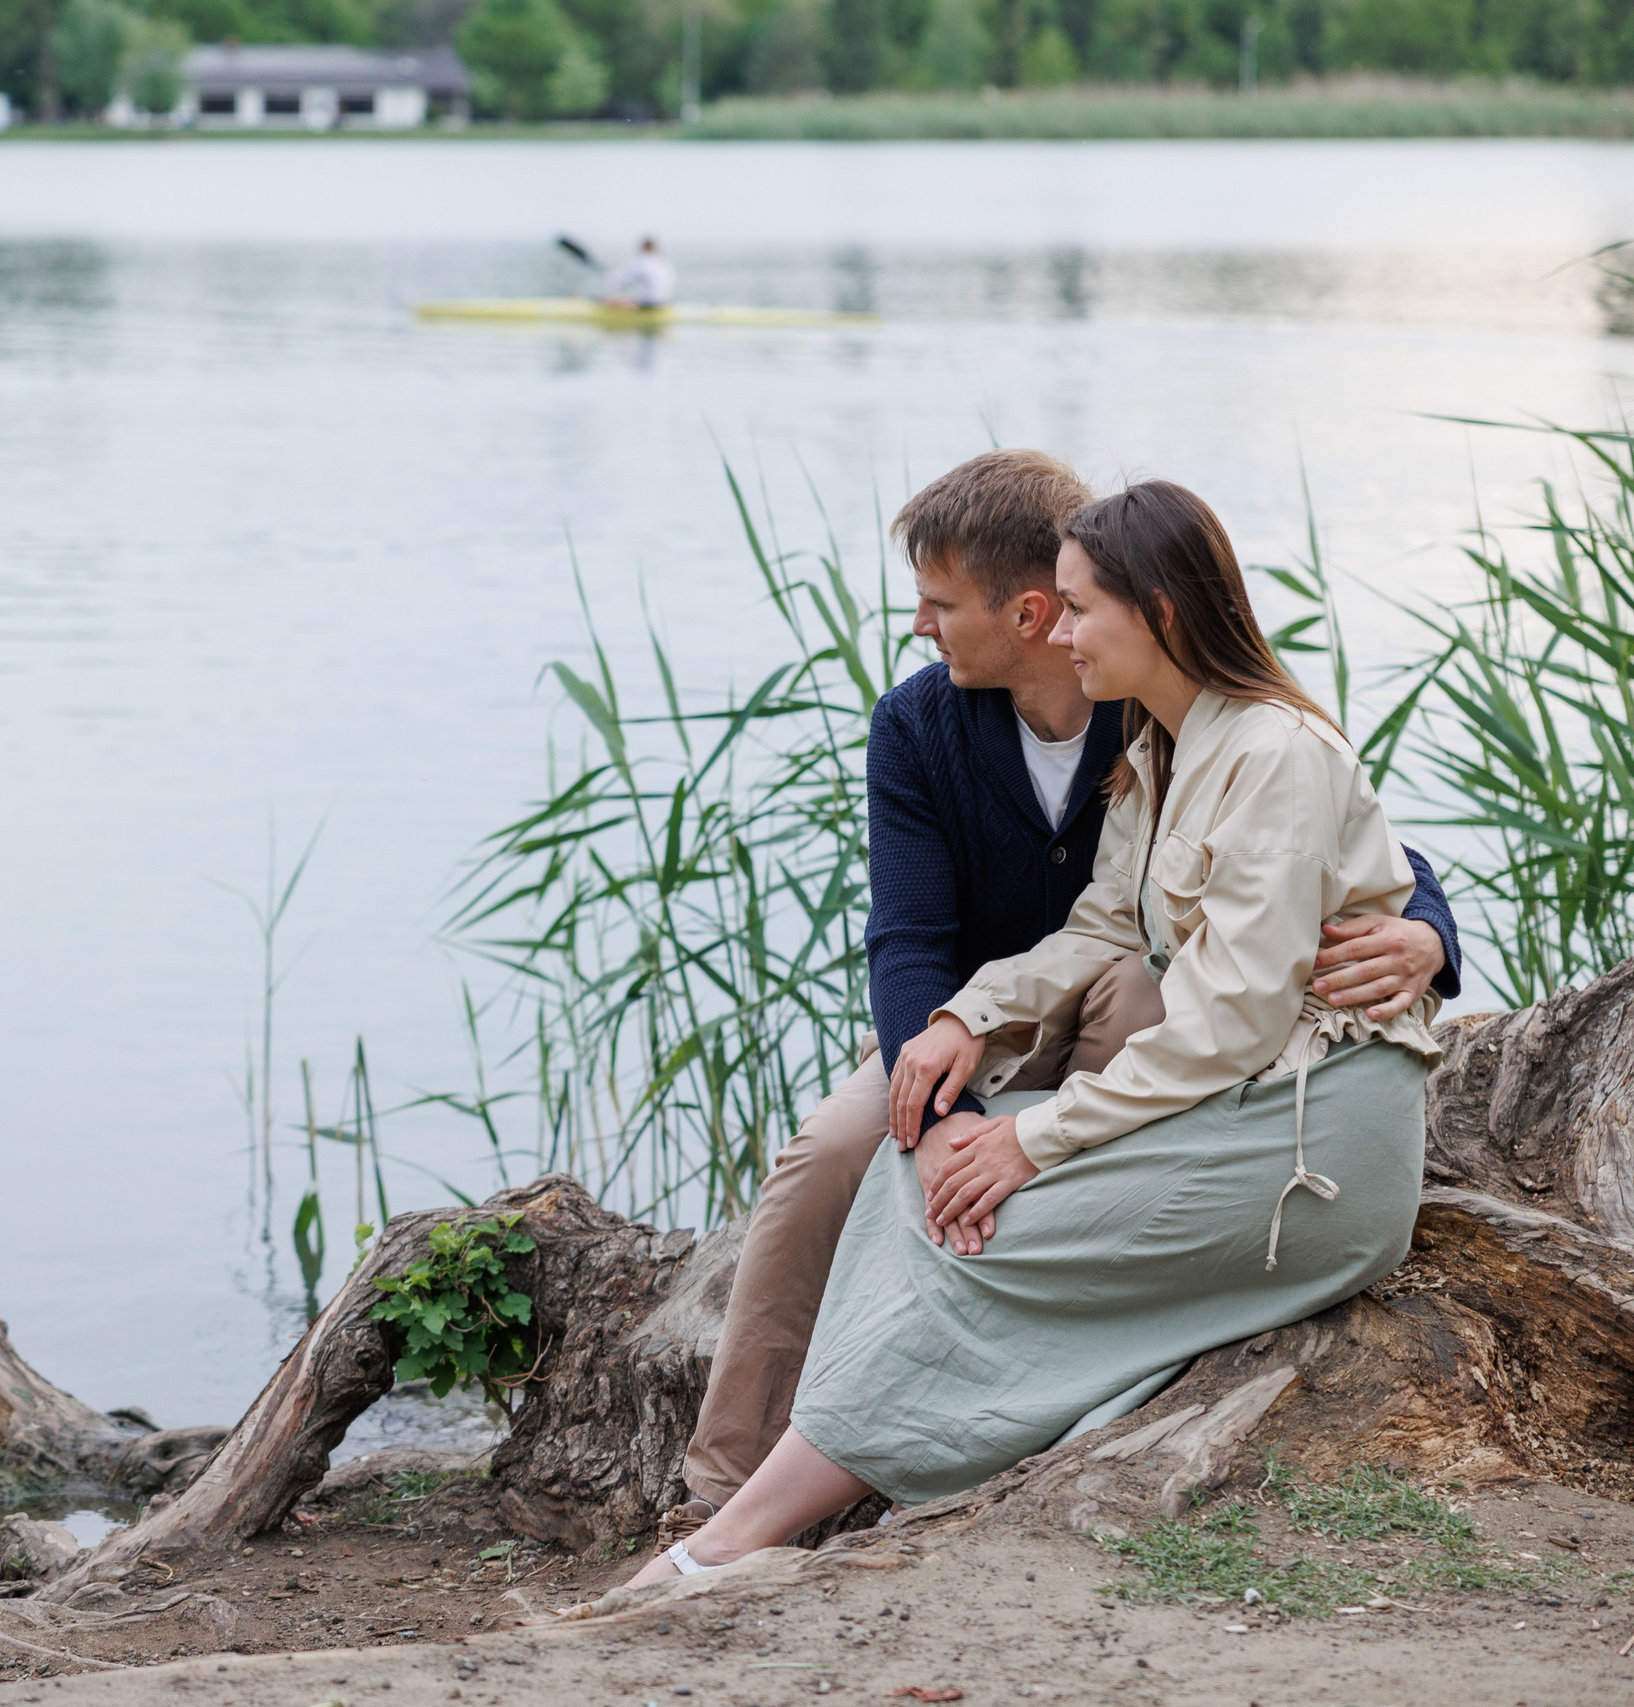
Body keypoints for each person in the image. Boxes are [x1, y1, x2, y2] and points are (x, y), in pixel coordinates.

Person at [629, 479, 1447, 1585]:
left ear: (1143, 612)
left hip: (1291, 1128)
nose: (1062, 635)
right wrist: (961, 1038)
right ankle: (735, 1499)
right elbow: (1016, 928)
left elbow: (1257, 979)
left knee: (986, 1224)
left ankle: (752, 1534)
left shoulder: (1235, 738)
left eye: (1074, 609)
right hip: (1092, 1061)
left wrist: (1429, 933)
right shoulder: (1130, 739)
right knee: (881, 1171)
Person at [603, 237, 675, 310]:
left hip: (650, 304)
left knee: (607, 299)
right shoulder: (665, 263)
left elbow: (624, 282)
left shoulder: (642, 263)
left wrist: (611, 277)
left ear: (643, 248)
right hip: (665, 302)